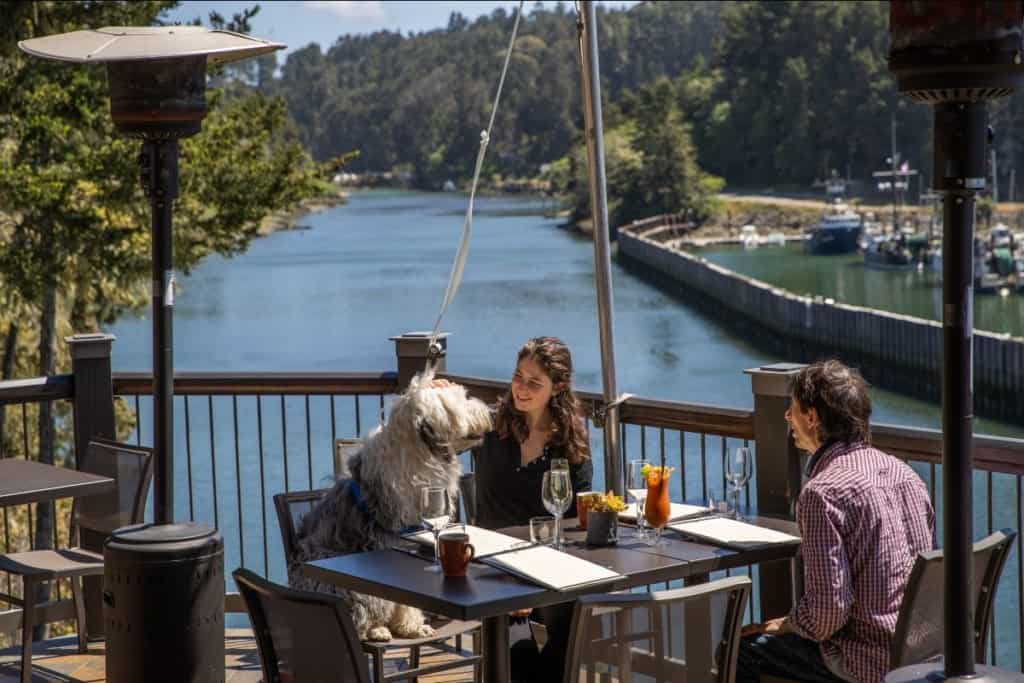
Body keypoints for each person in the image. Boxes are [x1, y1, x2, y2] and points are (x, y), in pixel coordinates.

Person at [737, 360, 934, 683]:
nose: (787, 417)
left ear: (812, 417)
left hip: (867, 663)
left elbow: (828, 615)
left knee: (740, 648)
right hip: (920, 656)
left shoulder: (822, 493)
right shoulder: (905, 474)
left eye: (794, 409)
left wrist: (786, 623)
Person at [470, 336, 592, 683]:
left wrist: (532, 575)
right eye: (518, 376)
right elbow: (437, 427)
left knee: (573, 625)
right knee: (519, 652)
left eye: (534, 382)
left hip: (548, 567)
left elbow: (574, 523)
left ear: (558, 387)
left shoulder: (570, 443)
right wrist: (438, 390)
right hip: (491, 568)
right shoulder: (489, 425)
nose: (521, 388)